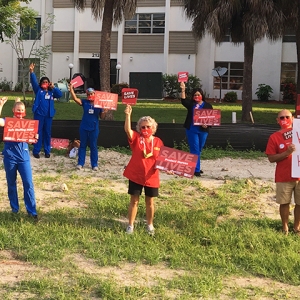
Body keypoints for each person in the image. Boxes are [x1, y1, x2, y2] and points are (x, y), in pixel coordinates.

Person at [123, 104, 164, 235]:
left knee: (150, 202)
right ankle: (130, 225)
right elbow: (127, 130)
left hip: (151, 176)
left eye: (148, 126)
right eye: (143, 127)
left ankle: (150, 225)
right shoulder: (136, 138)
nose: (145, 128)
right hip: (136, 174)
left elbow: (163, 160)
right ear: (139, 129)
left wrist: (168, 168)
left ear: (153, 128)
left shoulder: (158, 141)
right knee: (134, 200)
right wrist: (128, 115)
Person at [0, 97, 38, 219]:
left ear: (25, 112)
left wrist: (35, 138)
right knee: (12, 183)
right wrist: (0, 105)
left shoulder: (28, 124)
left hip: (24, 157)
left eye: (22, 110)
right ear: (13, 110)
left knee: (28, 183)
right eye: (18, 110)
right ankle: (14, 209)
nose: (20, 112)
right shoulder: (8, 121)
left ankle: (32, 211)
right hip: (10, 157)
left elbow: (33, 140)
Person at [265, 109, 300, 235]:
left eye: (287, 117)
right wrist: (287, 153)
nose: (284, 120)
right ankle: (285, 227)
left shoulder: (299, 132)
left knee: (299, 203)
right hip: (283, 175)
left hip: (299, 175)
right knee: (284, 202)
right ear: (277, 121)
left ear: (293, 118)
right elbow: (271, 158)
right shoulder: (274, 137)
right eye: (281, 118)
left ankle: (297, 228)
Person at [69, 84, 107, 171]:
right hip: (84, 127)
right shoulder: (85, 102)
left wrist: (105, 111)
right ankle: (80, 163)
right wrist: (71, 89)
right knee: (82, 145)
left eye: (91, 94)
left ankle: (94, 164)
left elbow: (102, 116)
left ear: (95, 94)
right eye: (88, 94)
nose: (90, 95)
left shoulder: (99, 104)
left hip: (94, 128)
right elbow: (75, 99)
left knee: (93, 146)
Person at [29, 63, 62, 159]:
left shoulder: (51, 91)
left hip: (49, 115)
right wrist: (31, 71)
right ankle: (36, 150)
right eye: (43, 82)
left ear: (49, 83)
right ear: (40, 83)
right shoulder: (38, 90)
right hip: (39, 115)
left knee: (47, 133)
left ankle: (47, 151)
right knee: (38, 133)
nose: (45, 83)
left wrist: (53, 87)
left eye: (46, 82)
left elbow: (59, 95)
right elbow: (33, 81)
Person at [180, 82, 213, 176]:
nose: (197, 96)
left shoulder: (208, 106)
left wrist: (207, 125)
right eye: (195, 95)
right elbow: (183, 100)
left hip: (203, 131)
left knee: (199, 148)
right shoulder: (191, 104)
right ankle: (196, 170)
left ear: (202, 95)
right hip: (192, 129)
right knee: (194, 148)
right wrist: (183, 89)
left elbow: (211, 118)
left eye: (198, 94)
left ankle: (194, 166)